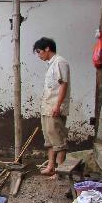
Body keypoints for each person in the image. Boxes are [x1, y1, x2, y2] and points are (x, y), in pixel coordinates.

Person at [33, 37, 70, 176]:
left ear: (47, 48)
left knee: (58, 140)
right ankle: (51, 167)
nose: (38, 55)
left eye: (39, 51)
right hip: (47, 107)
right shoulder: (51, 64)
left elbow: (63, 85)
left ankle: (60, 172)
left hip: (54, 107)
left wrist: (58, 105)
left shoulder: (60, 62)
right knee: (49, 140)